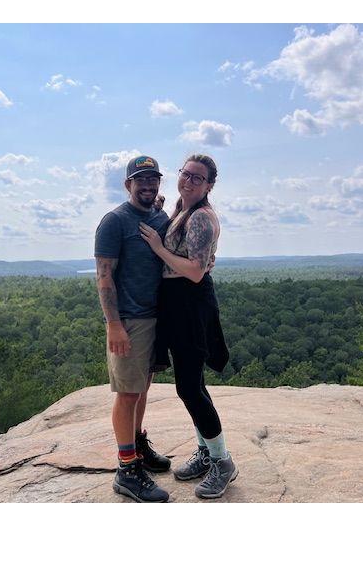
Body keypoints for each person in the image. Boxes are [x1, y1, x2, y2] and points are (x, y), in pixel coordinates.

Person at [139, 154, 238, 499]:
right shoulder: (183, 209)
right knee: (193, 385)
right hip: (178, 303)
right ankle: (207, 452)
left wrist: (157, 247)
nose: (190, 181)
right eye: (186, 174)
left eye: (198, 178)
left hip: (191, 304)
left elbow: (195, 271)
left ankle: (222, 462)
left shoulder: (202, 218)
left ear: (209, 185)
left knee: (190, 389)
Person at [94, 155, 172, 503]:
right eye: (140, 180)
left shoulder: (158, 216)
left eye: (152, 179)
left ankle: (137, 445)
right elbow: (104, 276)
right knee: (127, 393)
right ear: (128, 184)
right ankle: (126, 470)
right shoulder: (114, 221)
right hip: (129, 320)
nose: (147, 185)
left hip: (156, 317)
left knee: (142, 387)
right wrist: (114, 325)